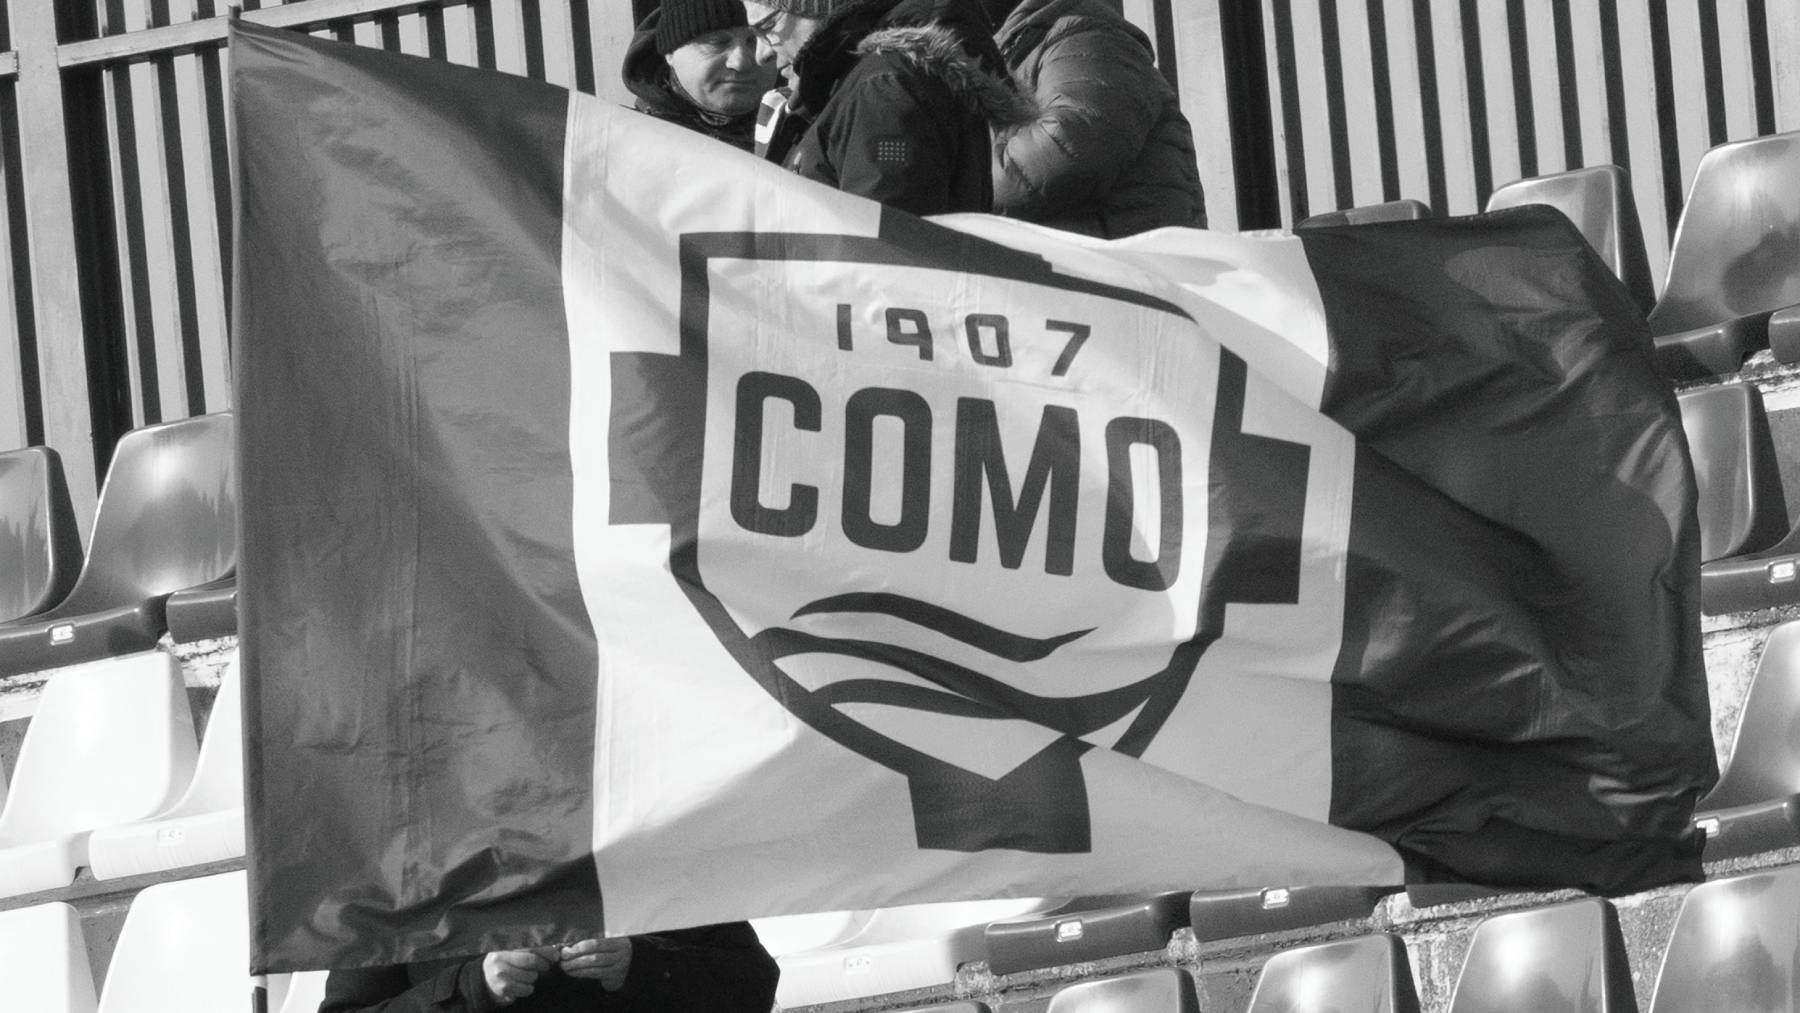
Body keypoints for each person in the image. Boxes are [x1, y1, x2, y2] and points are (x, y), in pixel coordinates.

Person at [741, 0, 1034, 216]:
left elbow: (882, 256)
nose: (761, 54)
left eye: (768, 26)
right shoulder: (867, 82)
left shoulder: (883, 90)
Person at [984, 0, 1205, 237]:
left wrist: (962, 179)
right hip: (1081, 251)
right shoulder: (1013, 51)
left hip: (1124, 254)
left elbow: (1067, 147)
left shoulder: (1087, 37)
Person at [318, 921, 780, 1012]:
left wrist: (642, 964)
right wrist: (471, 989)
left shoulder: (646, 848)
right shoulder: (392, 893)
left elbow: (754, 982)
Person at [623, 0, 781, 151]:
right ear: (670, 53)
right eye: (717, 42)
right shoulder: (629, 146)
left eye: (757, 41)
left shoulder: (793, 138)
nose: (740, 63)